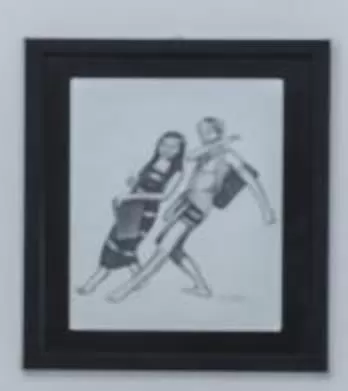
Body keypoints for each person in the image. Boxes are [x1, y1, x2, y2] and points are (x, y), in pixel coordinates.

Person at [107, 116, 278, 304]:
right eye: (200, 132)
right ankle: (202, 287)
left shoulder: (229, 156)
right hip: (185, 205)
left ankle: (125, 289)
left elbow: (251, 180)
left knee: (164, 249)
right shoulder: (204, 154)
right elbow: (189, 156)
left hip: (198, 209)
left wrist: (266, 209)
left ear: (218, 131)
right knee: (174, 249)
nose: (203, 136)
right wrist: (220, 142)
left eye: (207, 132)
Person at [76, 131, 188, 300]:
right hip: (130, 206)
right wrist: (132, 183)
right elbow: (138, 183)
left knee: (122, 243)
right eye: (163, 144)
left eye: (173, 146)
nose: (166, 149)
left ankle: (92, 283)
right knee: (119, 243)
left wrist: (133, 196)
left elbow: (163, 196)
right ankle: (139, 279)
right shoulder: (152, 161)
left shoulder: (177, 171)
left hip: (145, 213)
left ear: (180, 150)